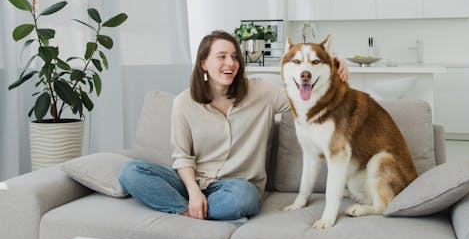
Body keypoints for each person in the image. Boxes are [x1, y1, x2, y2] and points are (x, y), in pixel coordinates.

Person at [119, 30, 349, 221]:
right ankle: (189, 210)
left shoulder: (262, 92)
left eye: (235, 57)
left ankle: (186, 211)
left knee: (243, 199)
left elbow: (310, 97)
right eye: (222, 56)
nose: (231, 63)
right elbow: (181, 157)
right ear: (204, 63)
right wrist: (193, 192)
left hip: (237, 188)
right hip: (192, 183)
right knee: (130, 172)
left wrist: (332, 65)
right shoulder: (183, 103)